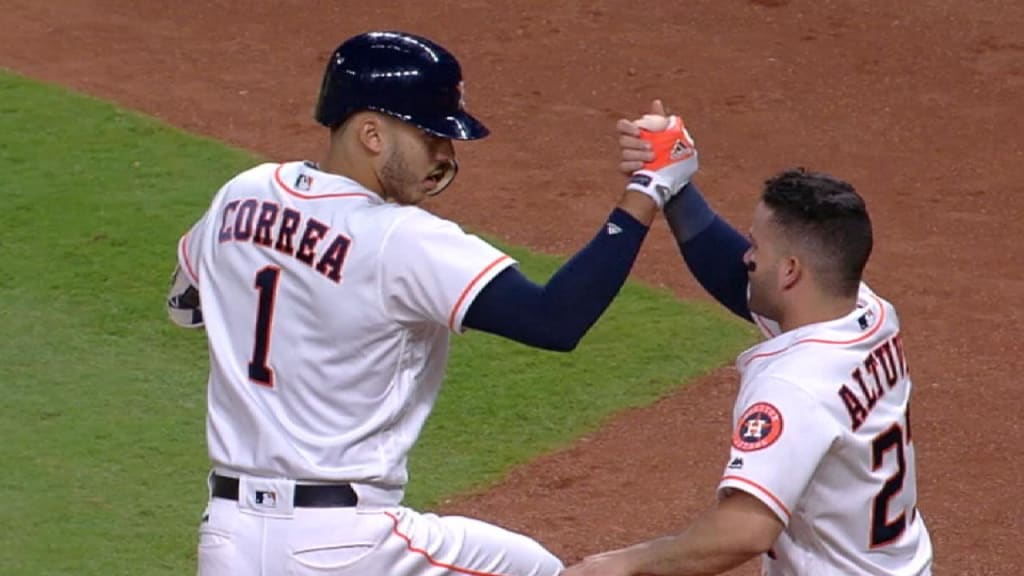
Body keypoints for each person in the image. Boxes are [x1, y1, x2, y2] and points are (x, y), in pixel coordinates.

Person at [165, 32, 699, 576]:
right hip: (347, 547)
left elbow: (185, 304)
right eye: (431, 136)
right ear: (371, 133)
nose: (444, 155)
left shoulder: (244, 191)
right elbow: (554, 319)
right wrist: (649, 188)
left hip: (228, 539)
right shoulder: (402, 238)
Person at [561, 107, 933, 575]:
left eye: (756, 247)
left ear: (792, 271)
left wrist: (625, 563)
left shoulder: (792, 387)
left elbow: (743, 532)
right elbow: (742, 278)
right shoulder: (868, 313)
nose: (747, 256)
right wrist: (671, 178)